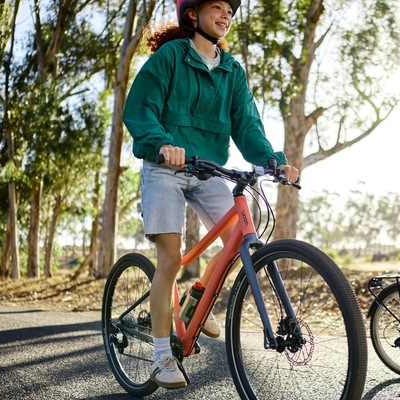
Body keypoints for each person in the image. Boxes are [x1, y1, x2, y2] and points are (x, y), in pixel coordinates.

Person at [121, 0, 299, 389]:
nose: (225, 16)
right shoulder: (171, 56)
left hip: (208, 170)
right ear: (193, 14)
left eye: (230, 11)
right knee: (170, 255)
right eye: (217, 7)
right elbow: (140, 107)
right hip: (165, 166)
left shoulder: (232, 71)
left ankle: (195, 299)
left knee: (241, 240)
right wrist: (160, 143)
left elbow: (247, 124)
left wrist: (273, 160)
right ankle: (161, 356)